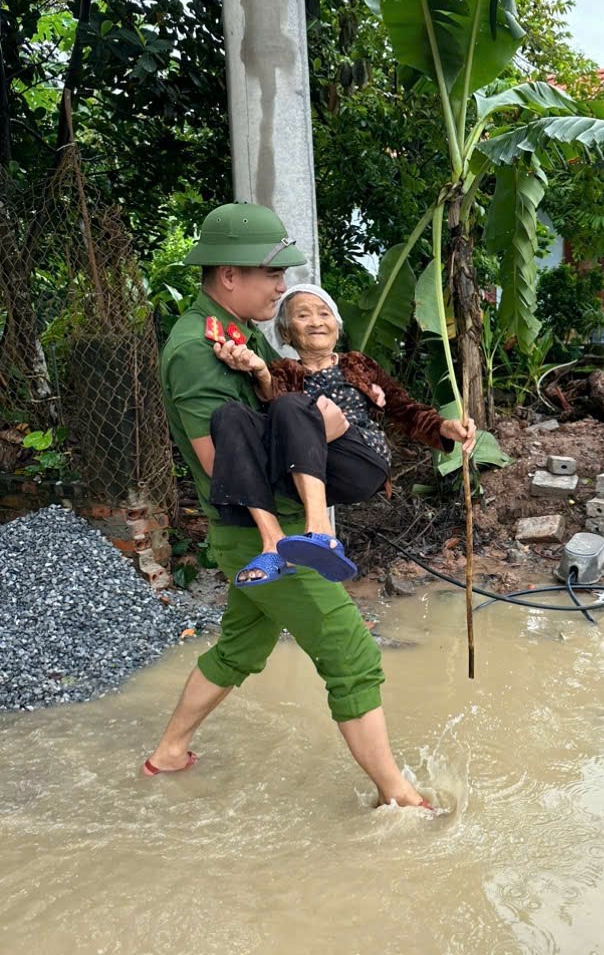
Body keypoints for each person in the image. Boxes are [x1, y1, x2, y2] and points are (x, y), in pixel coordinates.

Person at [144, 202, 438, 810]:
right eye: (272, 275)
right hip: (255, 531)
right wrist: (318, 433)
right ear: (230, 275)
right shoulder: (196, 351)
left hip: (249, 535)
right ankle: (400, 799)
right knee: (352, 654)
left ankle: (169, 754)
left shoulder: (240, 334)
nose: (283, 287)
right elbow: (217, 463)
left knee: (241, 648)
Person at [206, 282, 476, 587]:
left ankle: (321, 531)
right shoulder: (282, 371)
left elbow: (405, 408)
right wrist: (261, 373)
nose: (316, 322)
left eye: (324, 314)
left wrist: (444, 426)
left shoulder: (358, 365)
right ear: (286, 332)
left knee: (293, 404)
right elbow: (275, 414)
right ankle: (273, 544)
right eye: (303, 316)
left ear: (337, 326)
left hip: (360, 461)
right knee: (229, 415)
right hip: (305, 467)